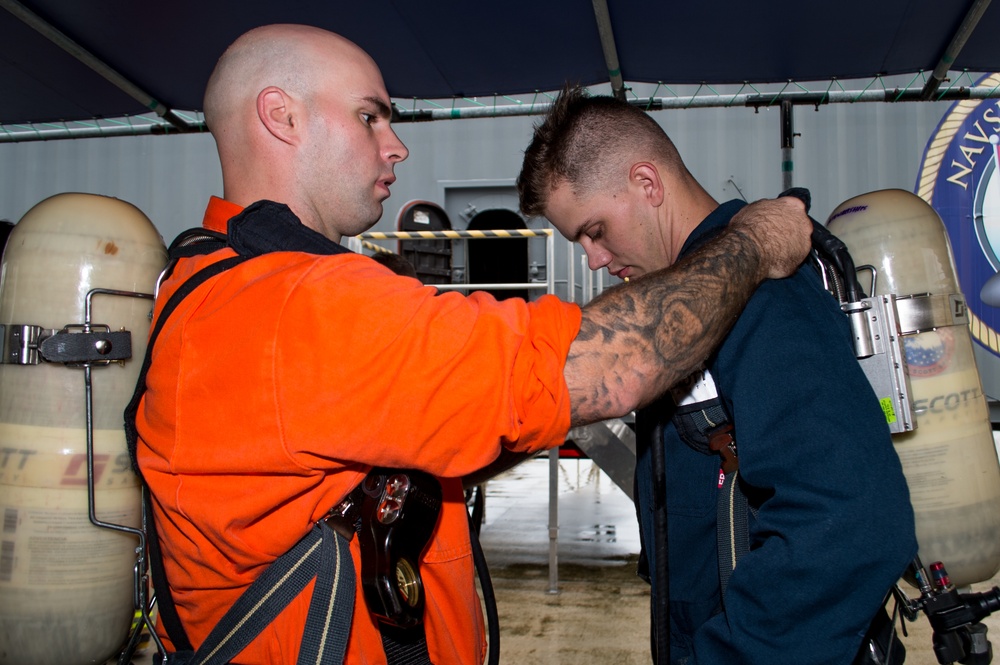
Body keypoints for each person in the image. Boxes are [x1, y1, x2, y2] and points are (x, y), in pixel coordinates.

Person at [133, 24, 813, 665]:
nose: (395, 145)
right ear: (282, 117)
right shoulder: (296, 307)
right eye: (371, 116)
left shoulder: (210, 277)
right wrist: (755, 242)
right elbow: (614, 362)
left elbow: (377, 452)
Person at [516, 85, 918, 665]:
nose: (593, 259)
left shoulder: (761, 292)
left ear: (647, 184)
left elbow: (851, 522)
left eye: (595, 230)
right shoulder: (679, 305)